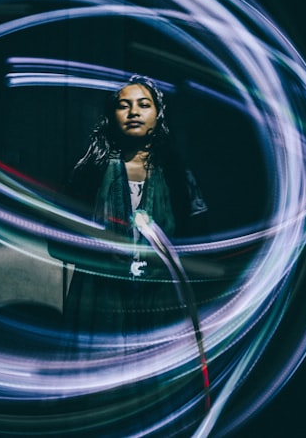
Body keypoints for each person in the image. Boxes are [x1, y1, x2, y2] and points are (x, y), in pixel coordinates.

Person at [52, 74, 210, 341]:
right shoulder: (90, 172)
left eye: (144, 104)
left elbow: (199, 239)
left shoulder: (176, 176)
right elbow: (57, 240)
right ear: (111, 114)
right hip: (100, 301)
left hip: (160, 301)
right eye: (124, 105)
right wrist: (103, 254)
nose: (133, 112)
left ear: (158, 114)